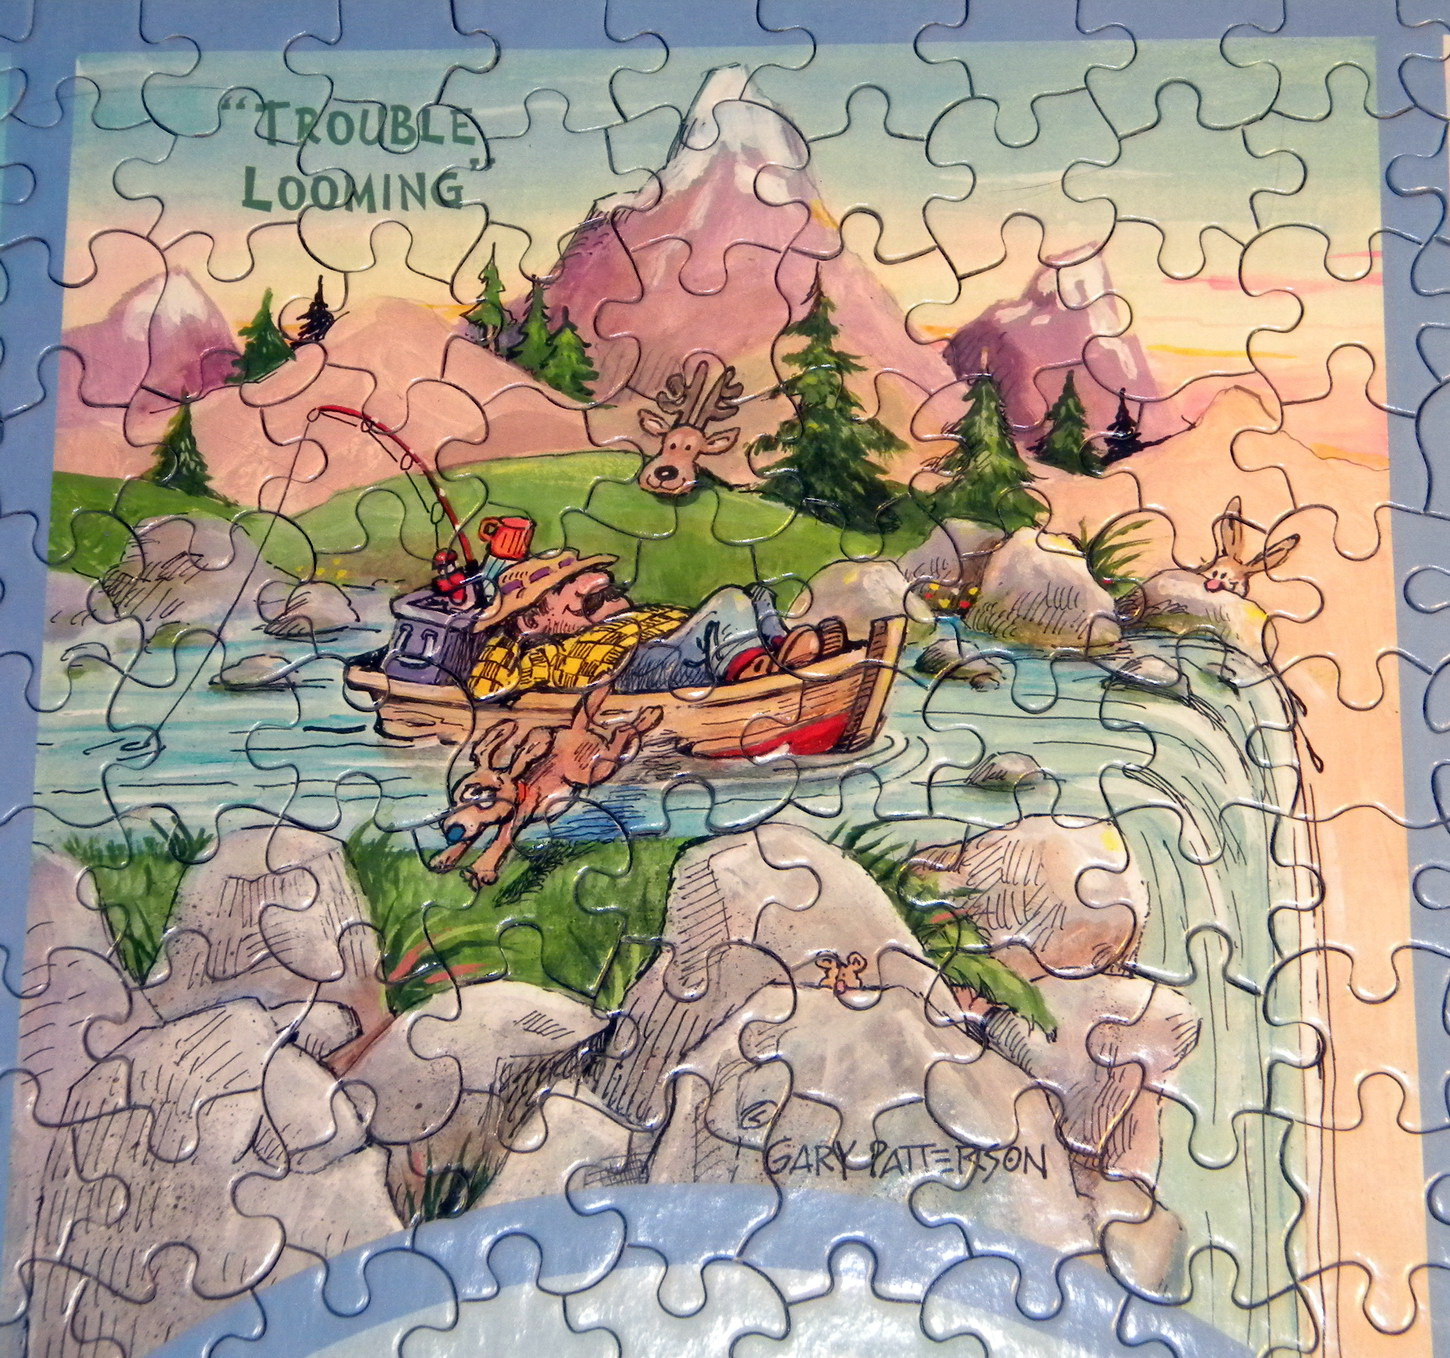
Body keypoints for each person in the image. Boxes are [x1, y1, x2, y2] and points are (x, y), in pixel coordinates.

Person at [466, 548, 846, 699]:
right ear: (537, 617)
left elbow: (689, 627)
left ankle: (779, 650)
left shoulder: (635, 614)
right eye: (570, 589)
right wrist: (513, 634)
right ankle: (754, 666)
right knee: (730, 600)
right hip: (637, 669)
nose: (597, 583)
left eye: (608, 588)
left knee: (757, 594)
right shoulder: (549, 655)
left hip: (680, 652)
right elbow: (484, 689)